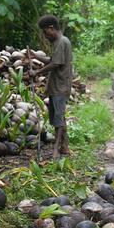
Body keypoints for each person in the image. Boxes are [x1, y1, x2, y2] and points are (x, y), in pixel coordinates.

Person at [30, 15, 73, 159]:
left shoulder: (61, 42)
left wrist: (36, 72)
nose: (44, 35)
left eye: (45, 32)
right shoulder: (59, 42)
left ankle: (56, 150)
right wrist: (35, 56)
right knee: (58, 117)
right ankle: (64, 147)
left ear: (51, 28)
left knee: (59, 118)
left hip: (60, 86)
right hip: (57, 86)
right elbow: (52, 60)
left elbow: (56, 64)